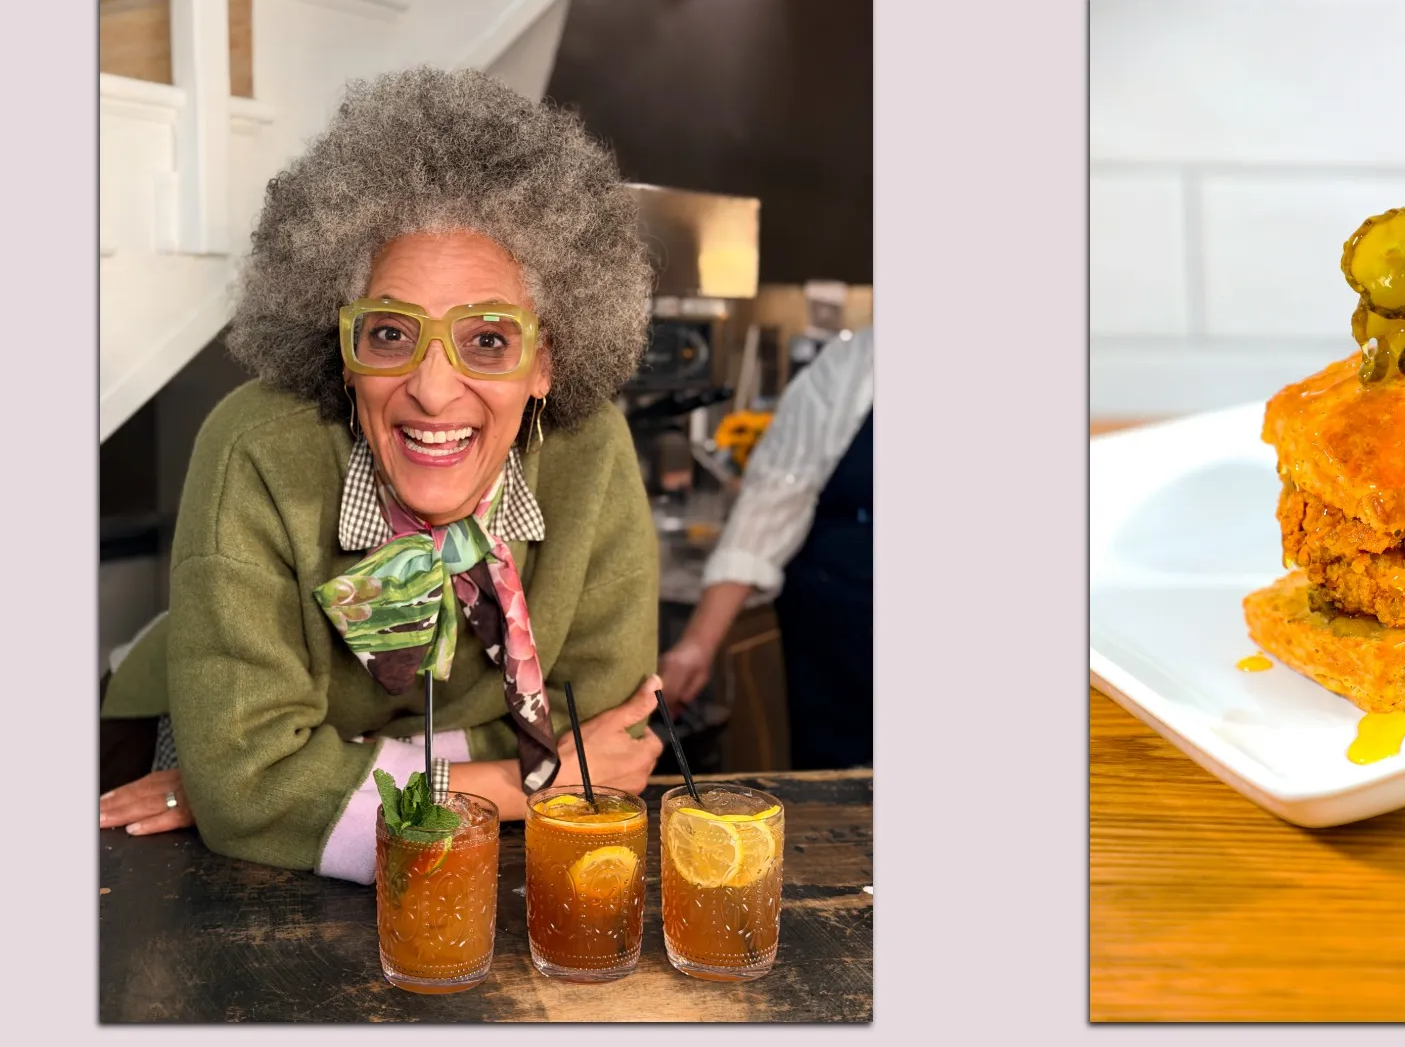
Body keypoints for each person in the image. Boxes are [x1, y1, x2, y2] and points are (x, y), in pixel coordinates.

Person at [98, 67, 665, 884]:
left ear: (547, 360)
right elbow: (244, 787)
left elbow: (607, 732)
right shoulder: (253, 448)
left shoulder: (594, 451)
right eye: (391, 334)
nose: (433, 391)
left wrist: (306, 781)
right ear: (343, 346)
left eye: (490, 341)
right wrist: (523, 782)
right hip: (169, 731)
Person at [658, 327, 874, 769]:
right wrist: (699, 643)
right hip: (842, 637)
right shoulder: (856, 362)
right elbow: (774, 498)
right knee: (838, 785)